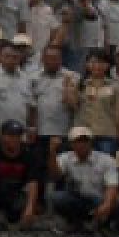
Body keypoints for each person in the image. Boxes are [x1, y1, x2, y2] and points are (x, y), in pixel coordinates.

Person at [47, 127, 119, 235]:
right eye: (77, 141)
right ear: (71, 144)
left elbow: (113, 185)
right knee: (56, 197)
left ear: (91, 142)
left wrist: (107, 204)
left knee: (115, 202)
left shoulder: (107, 159)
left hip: (100, 199)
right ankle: (76, 223)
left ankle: (104, 225)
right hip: (79, 198)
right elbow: (55, 176)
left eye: (85, 140)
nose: (81, 144)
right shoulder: (65, 157)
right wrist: (52, 151)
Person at [0, 120, 41, 231]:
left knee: (24, 203)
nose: (14, 139)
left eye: (17, 135)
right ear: (2, 136)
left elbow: (33, 182)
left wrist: (30, 208)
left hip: (15, 193)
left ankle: (11, 219)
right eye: (10, 135)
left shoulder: (28, 153)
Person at [65, 49, 119, 155]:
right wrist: (68, 88)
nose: (97, 65)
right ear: (87, 64)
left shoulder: (116, 87)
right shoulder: (80, 84)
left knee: (104, 167)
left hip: (107, 135)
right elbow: (73, 105)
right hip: (82, 135)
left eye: (101, 62)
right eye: (93, 62)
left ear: (108, 65)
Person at [28, 44, 76, 173]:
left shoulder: (72, 76)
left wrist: (67, 88)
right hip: (40, 132)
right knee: (39, 168)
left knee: (60, 169)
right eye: (48, 58)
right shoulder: (34, 77)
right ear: (43, 59)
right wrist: (32, 127)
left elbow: (74, 106)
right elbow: (32, 106)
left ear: (61, 59)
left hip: (63, 132)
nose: (52, 61)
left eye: (55, 58)